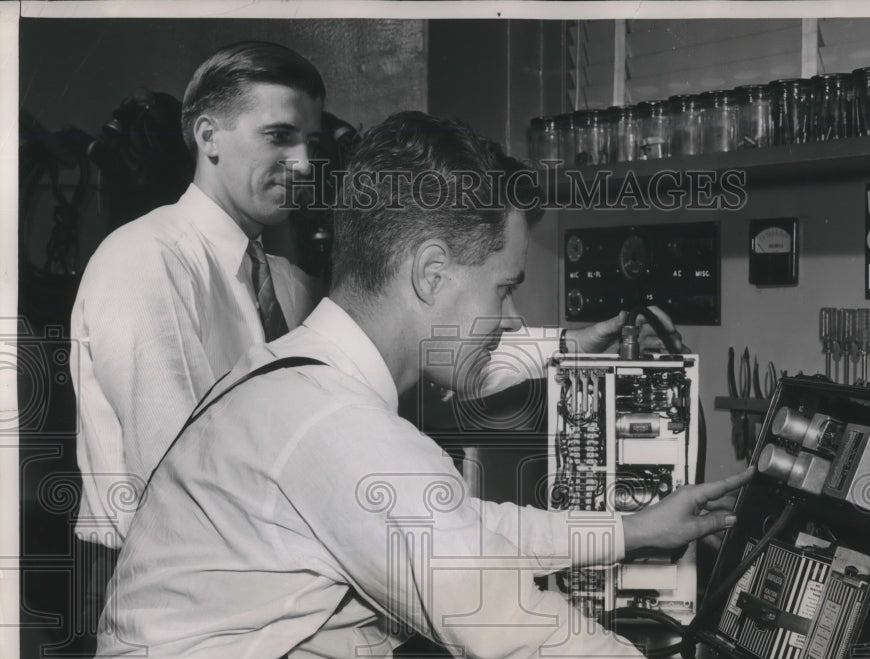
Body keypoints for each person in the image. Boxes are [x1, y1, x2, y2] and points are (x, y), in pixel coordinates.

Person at [74, 111, 870, 659]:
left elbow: (461, 530)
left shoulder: (292, 383)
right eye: (502, 286)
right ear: (432, 272)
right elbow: (511, 629)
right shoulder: (330, 423)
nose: (508, 319)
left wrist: (632, 530)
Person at [70, 40, 677, 554]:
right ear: (208, 135)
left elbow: (420, 358)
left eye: (310, 142)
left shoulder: (285, 282)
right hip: (157, 583)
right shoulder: (145, 260)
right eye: (278, 137)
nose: (302, 164)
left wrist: (571, 346)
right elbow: (174, 485)